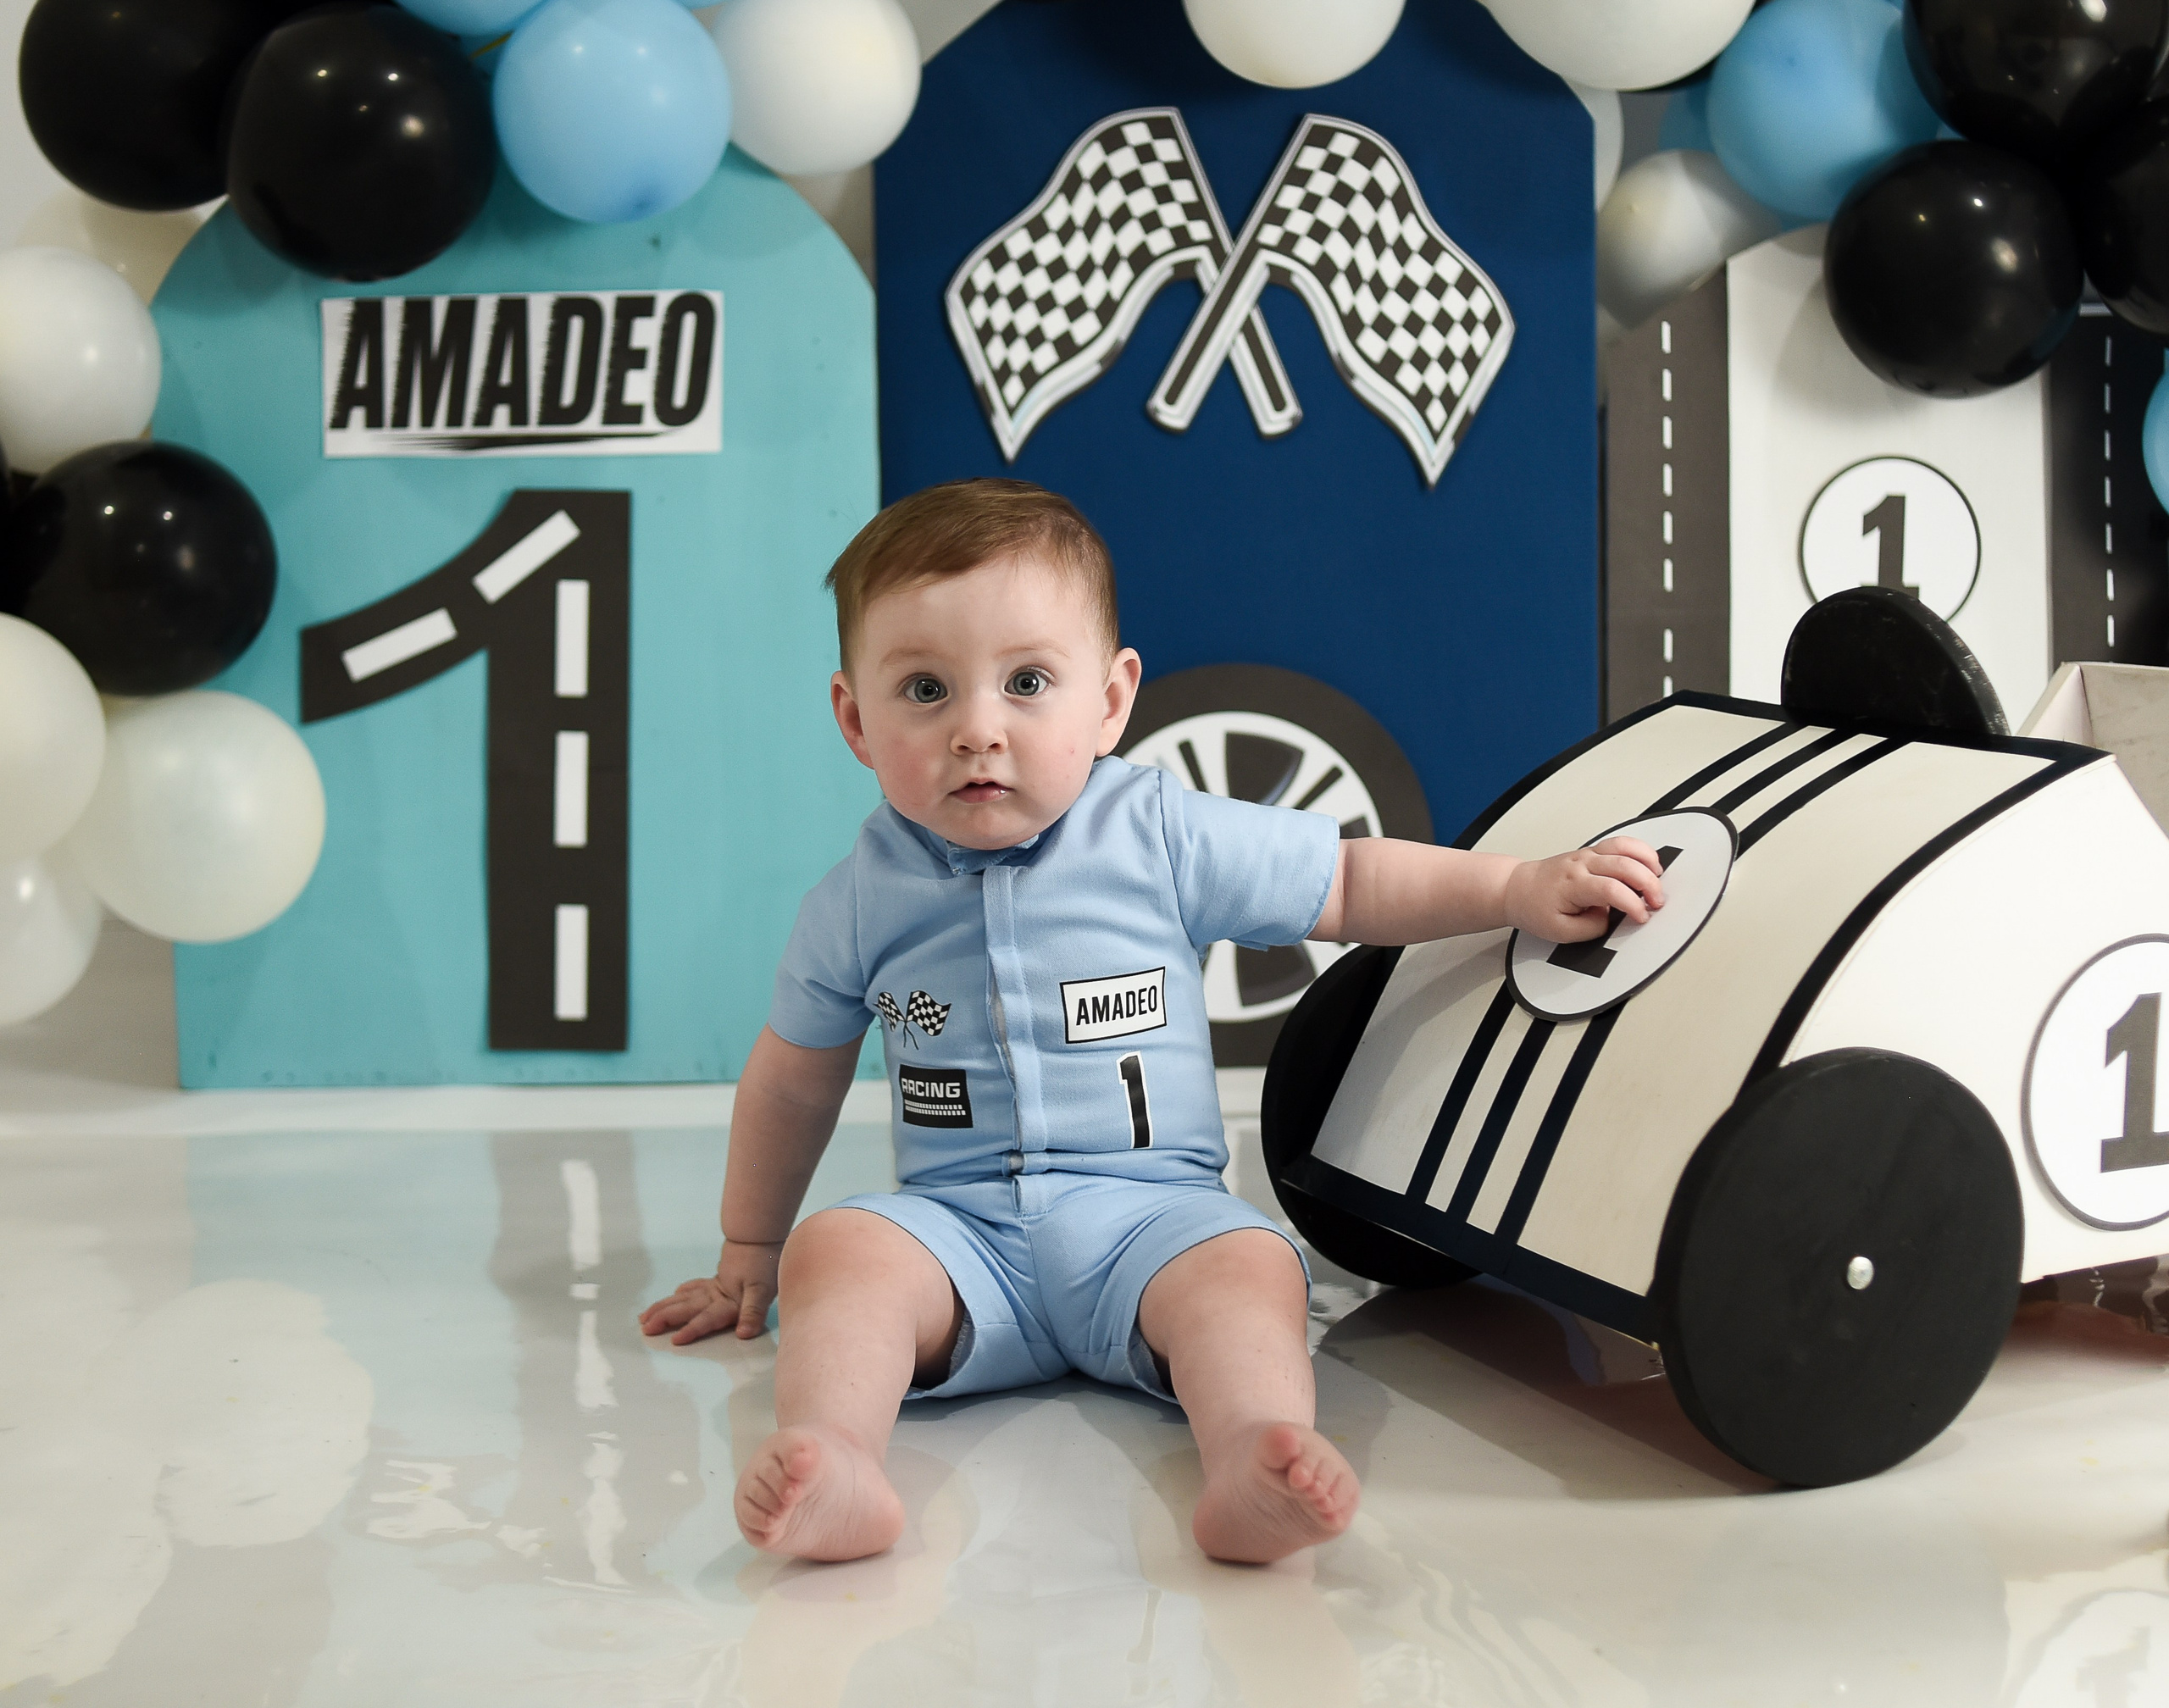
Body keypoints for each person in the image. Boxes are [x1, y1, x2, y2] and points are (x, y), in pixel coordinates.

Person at [641, 479, 1665, 1567]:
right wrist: (751, 1247)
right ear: (855, 718)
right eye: (926, 690)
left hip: (1151, 1223)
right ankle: (836, 1453)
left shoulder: (1159, 833)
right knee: (840, 1253)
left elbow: (1350, 881)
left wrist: (1513, 887)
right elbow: (793, 1076)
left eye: (1027, 682)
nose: (977, 730)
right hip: (960, 1242)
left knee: (1247, 1271)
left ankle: (1251, 1453)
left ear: (1111, 699)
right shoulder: (855, 899)